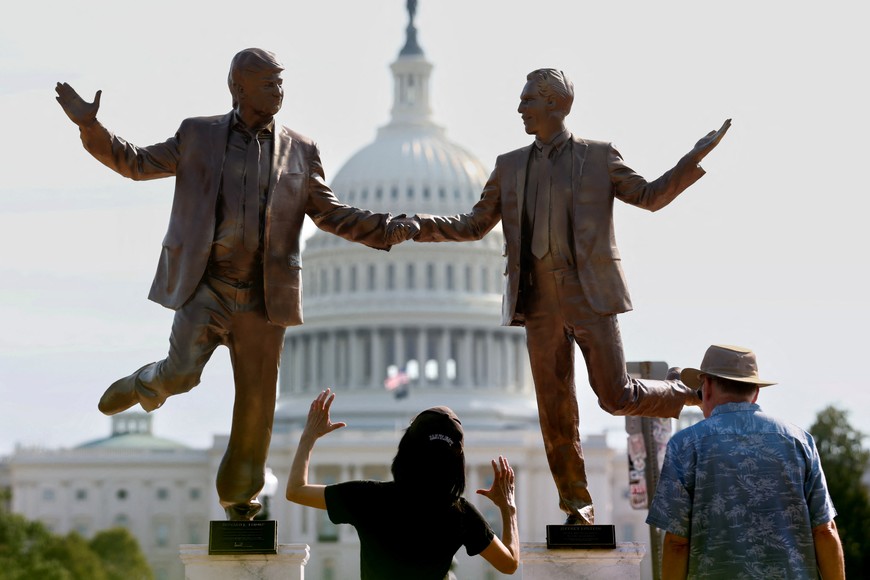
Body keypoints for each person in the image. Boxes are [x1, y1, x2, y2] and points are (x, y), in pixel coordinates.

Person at [54, 49, 414, 520]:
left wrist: (385, 228)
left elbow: (329, 213)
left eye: (282, 84)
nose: (279, 92)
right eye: (269, 84)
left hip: (265, 297)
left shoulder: (301, 150)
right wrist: (91, 128)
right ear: (239, 88)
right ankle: (148, 381)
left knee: (257, 405)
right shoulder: (198, 134)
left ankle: (239, 495)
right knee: (182, 375)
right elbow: (136, 162)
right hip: (208, 284)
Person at [387, 68, 730, 524]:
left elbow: (648, 196)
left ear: (557, 105)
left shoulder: (599, 157)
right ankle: (577, 505)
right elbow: (473, 225)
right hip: (538, 301)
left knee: (615, 396)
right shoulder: (509, 166)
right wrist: (419, 225)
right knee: (555, 414)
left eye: (529, 100)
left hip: (589, 293)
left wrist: (691, 160)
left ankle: (684, 390)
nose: (520, 108)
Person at [647, 344, 845, 579]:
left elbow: (676, 543)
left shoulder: (685, 445)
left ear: (707, 387)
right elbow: (825, 531)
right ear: (756, 393)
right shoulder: (799, 441)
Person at [286, 389, 520, 579]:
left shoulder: (368, 497)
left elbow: (295, 491)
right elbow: (509, 564)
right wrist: (508, 509)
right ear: (456, 462)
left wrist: (309, 436)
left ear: (406, 450)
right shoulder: (460, 513)